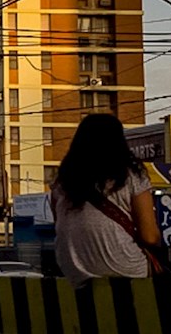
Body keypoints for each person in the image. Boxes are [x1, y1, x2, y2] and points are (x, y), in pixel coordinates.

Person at [50, 113, 163, 286]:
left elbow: (60, 226)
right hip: (125, 269)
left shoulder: (61, 183)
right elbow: (149, 236)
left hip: (73, 271)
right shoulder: (131, 176)